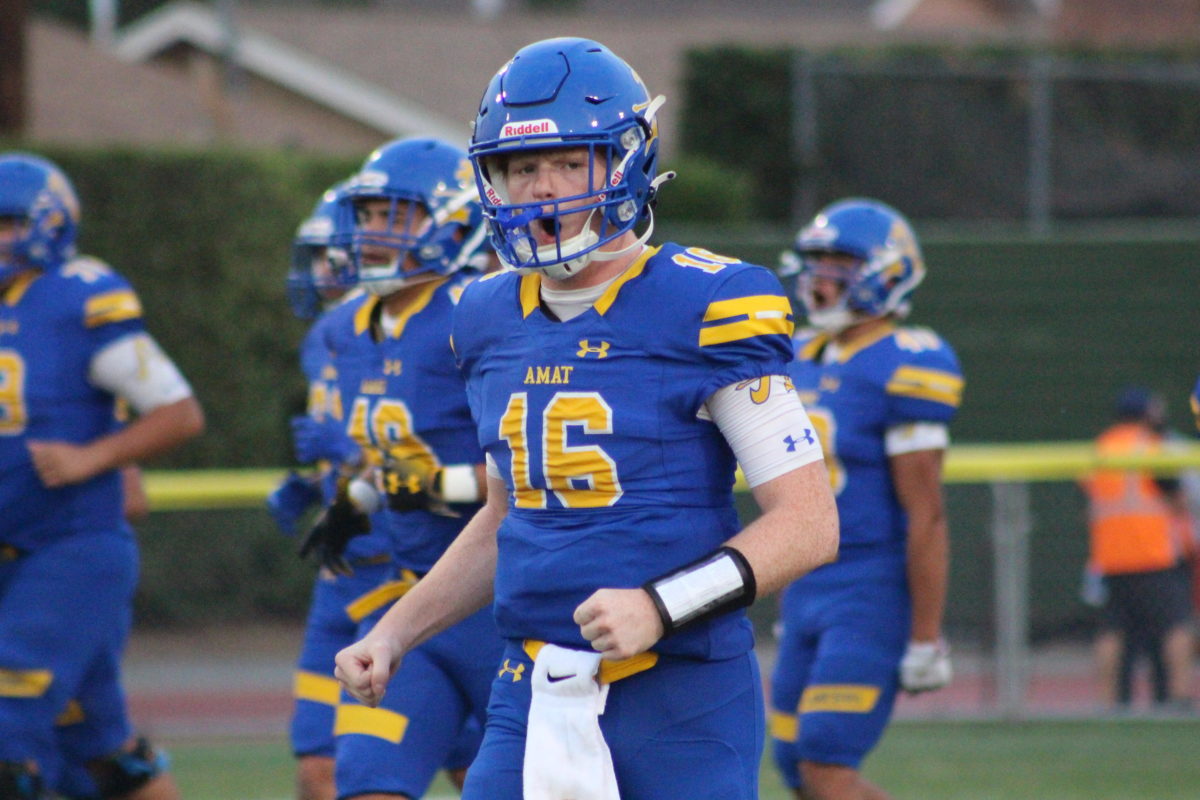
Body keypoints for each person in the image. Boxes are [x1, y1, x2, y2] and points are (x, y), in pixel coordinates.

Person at [334, 37, 839, 800]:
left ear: (626, 160)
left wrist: (659, 607)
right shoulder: (482, 314)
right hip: (529, 684)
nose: (544, 189)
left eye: (571, 162)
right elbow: (507, 517)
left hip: (679, 692)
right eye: (522, 167)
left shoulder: (709, 302)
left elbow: (808, 524)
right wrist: (396, 631)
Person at [0, 152, 204, 797]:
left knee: (6, 726)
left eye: (6, 223)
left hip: (66, 549)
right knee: (100, 752)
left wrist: (94, 459)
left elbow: (178, 411)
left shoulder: (77, 295)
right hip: (16, 551)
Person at [306, 136, 501, 800]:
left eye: (398, 215)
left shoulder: (480, 314)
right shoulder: (352, 323)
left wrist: (436, 487)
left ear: (454, 221)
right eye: (368, 214)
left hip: (505, 604)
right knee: (364, 782)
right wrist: (355, 501)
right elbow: (395, 459)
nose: (375, 233)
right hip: (413, 598)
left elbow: (538, 468)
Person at [768, 198, 963, 800]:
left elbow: (925, 513)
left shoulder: (907, 362)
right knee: (795, 767)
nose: (822, 276)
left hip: (869, 589)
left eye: (842, 262)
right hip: (805, 584)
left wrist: (926, 634)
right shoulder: (793, 353)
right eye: (817, 261)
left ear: (887, 270)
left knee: (827, 762)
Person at [1081, 385, 1195, 711]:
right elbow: (1177, 498)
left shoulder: (1099, 449)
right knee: (1175, 625)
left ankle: (1106, 702)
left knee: (1112, 630)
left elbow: (1087, 505)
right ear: (1147, 413)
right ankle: (1179, 696)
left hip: (1110, 557)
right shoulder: (1151, 447)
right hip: (1154, 554)